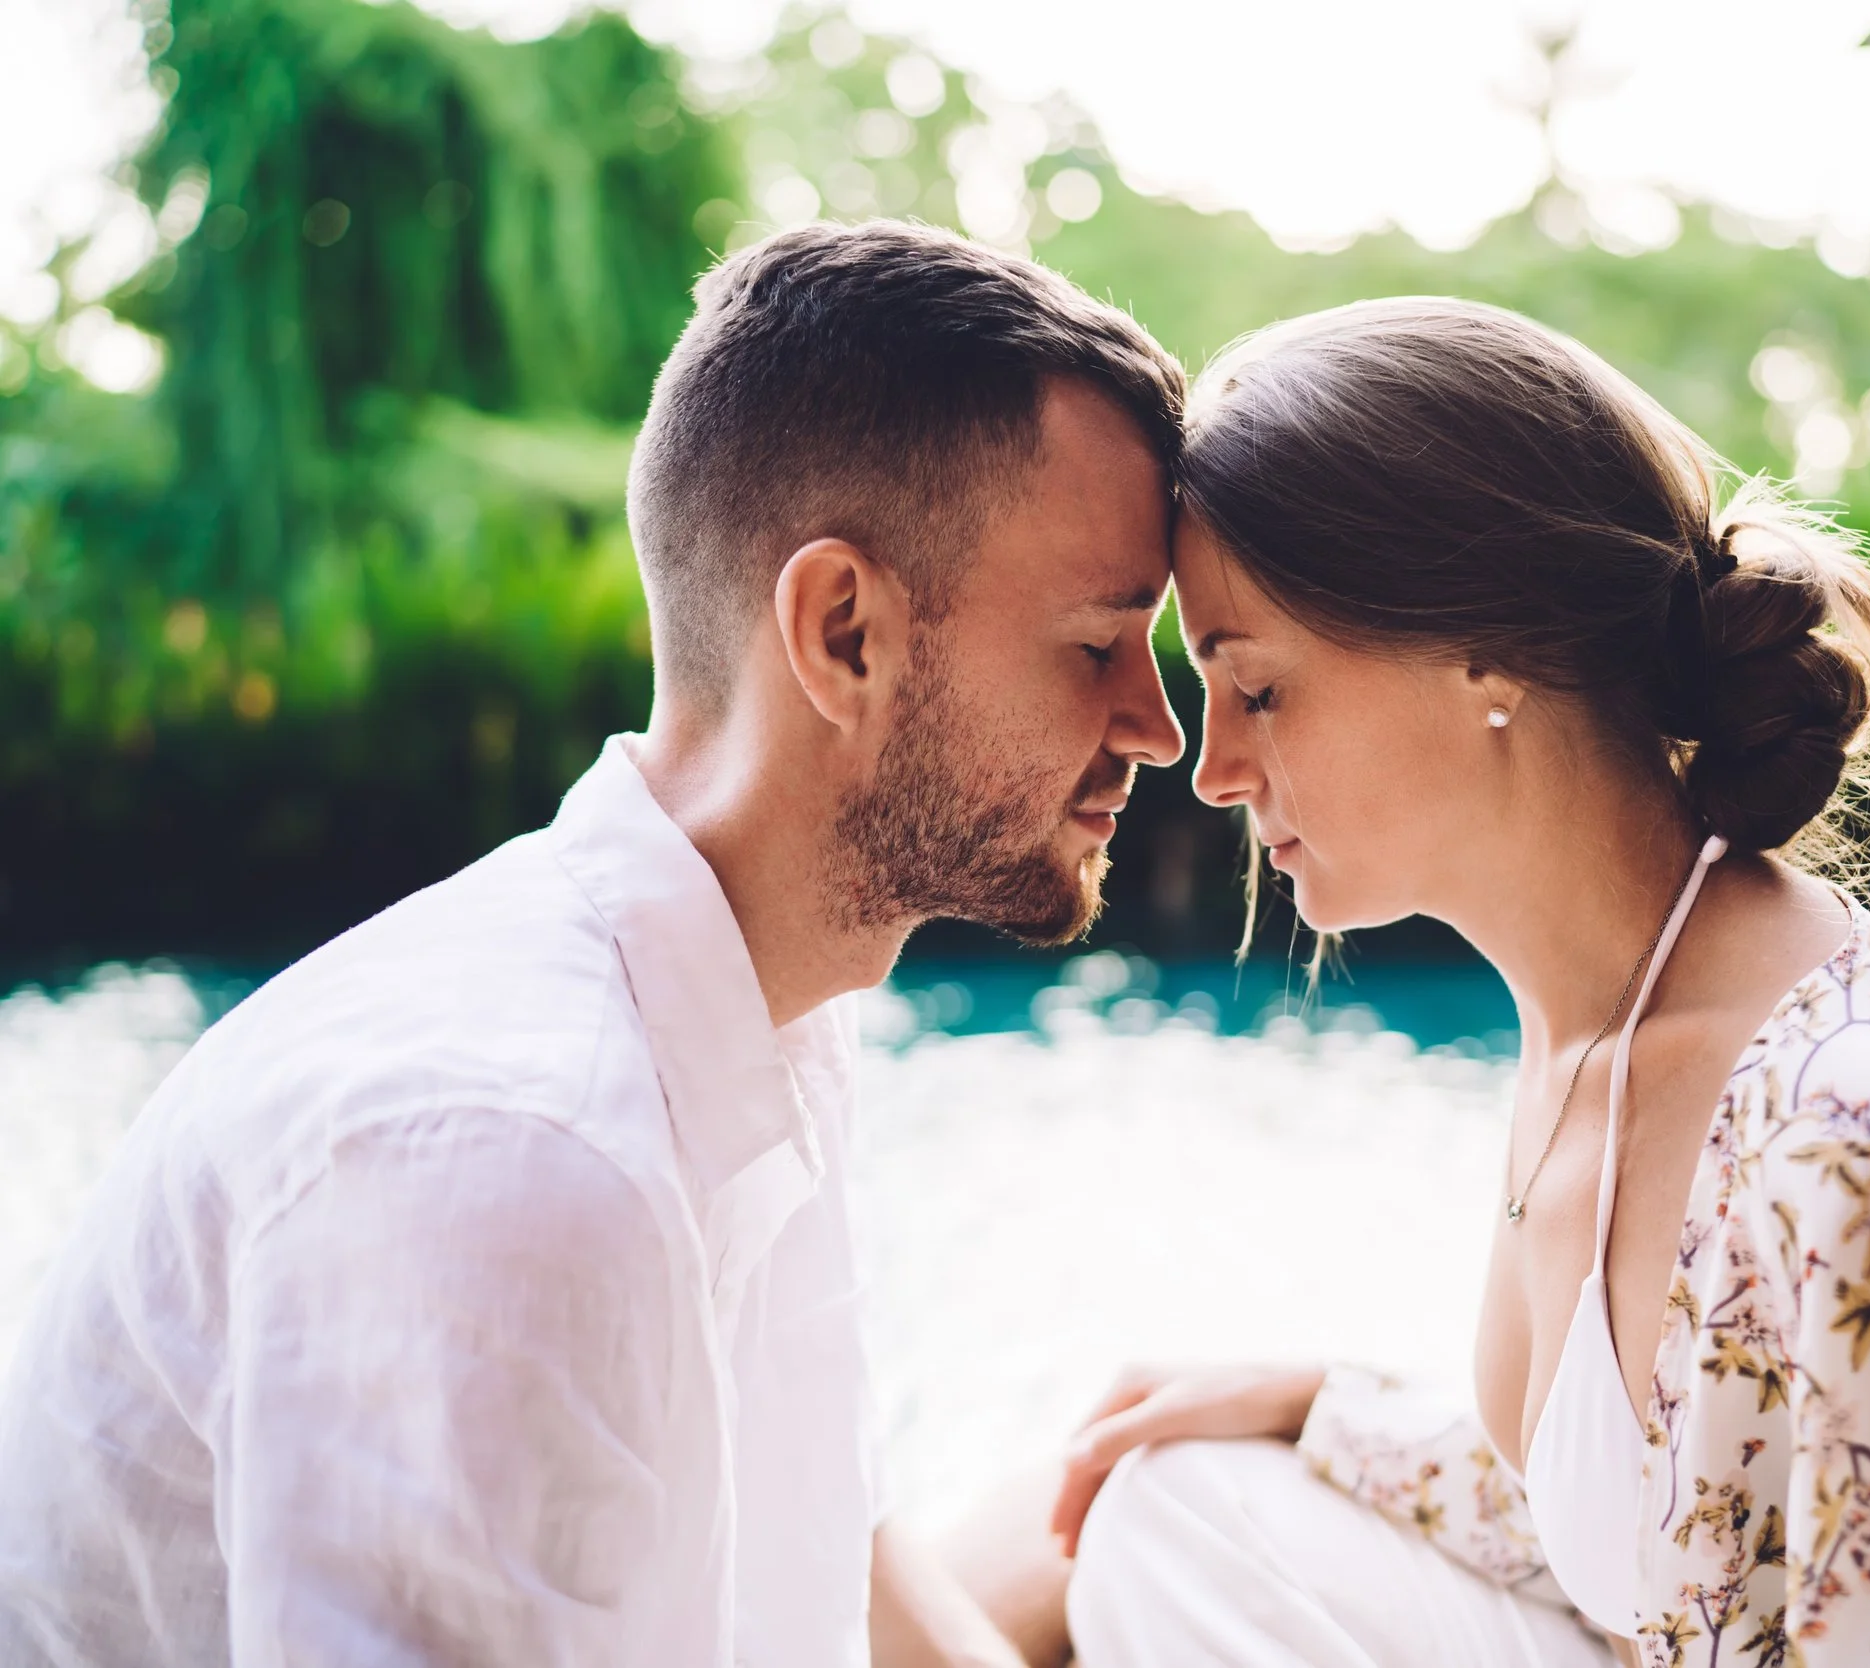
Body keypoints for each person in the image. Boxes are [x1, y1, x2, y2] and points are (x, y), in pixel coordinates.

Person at [1046, 298, 1870, 1667]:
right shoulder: (1605, 1012)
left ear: (1490, 653)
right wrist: (1327, 1404)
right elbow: (1693, 1530)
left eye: (1261, 689)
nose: (1214, 768)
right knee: (1174, 1516)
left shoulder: (1855, 1146)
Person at [0, 220, 1187, 1667]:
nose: (1159, 725)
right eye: (1096, 644)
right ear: (844, 634)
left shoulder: (767, 1004)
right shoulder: (508, 1156)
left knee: (1169, 1489)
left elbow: (830, 1547)